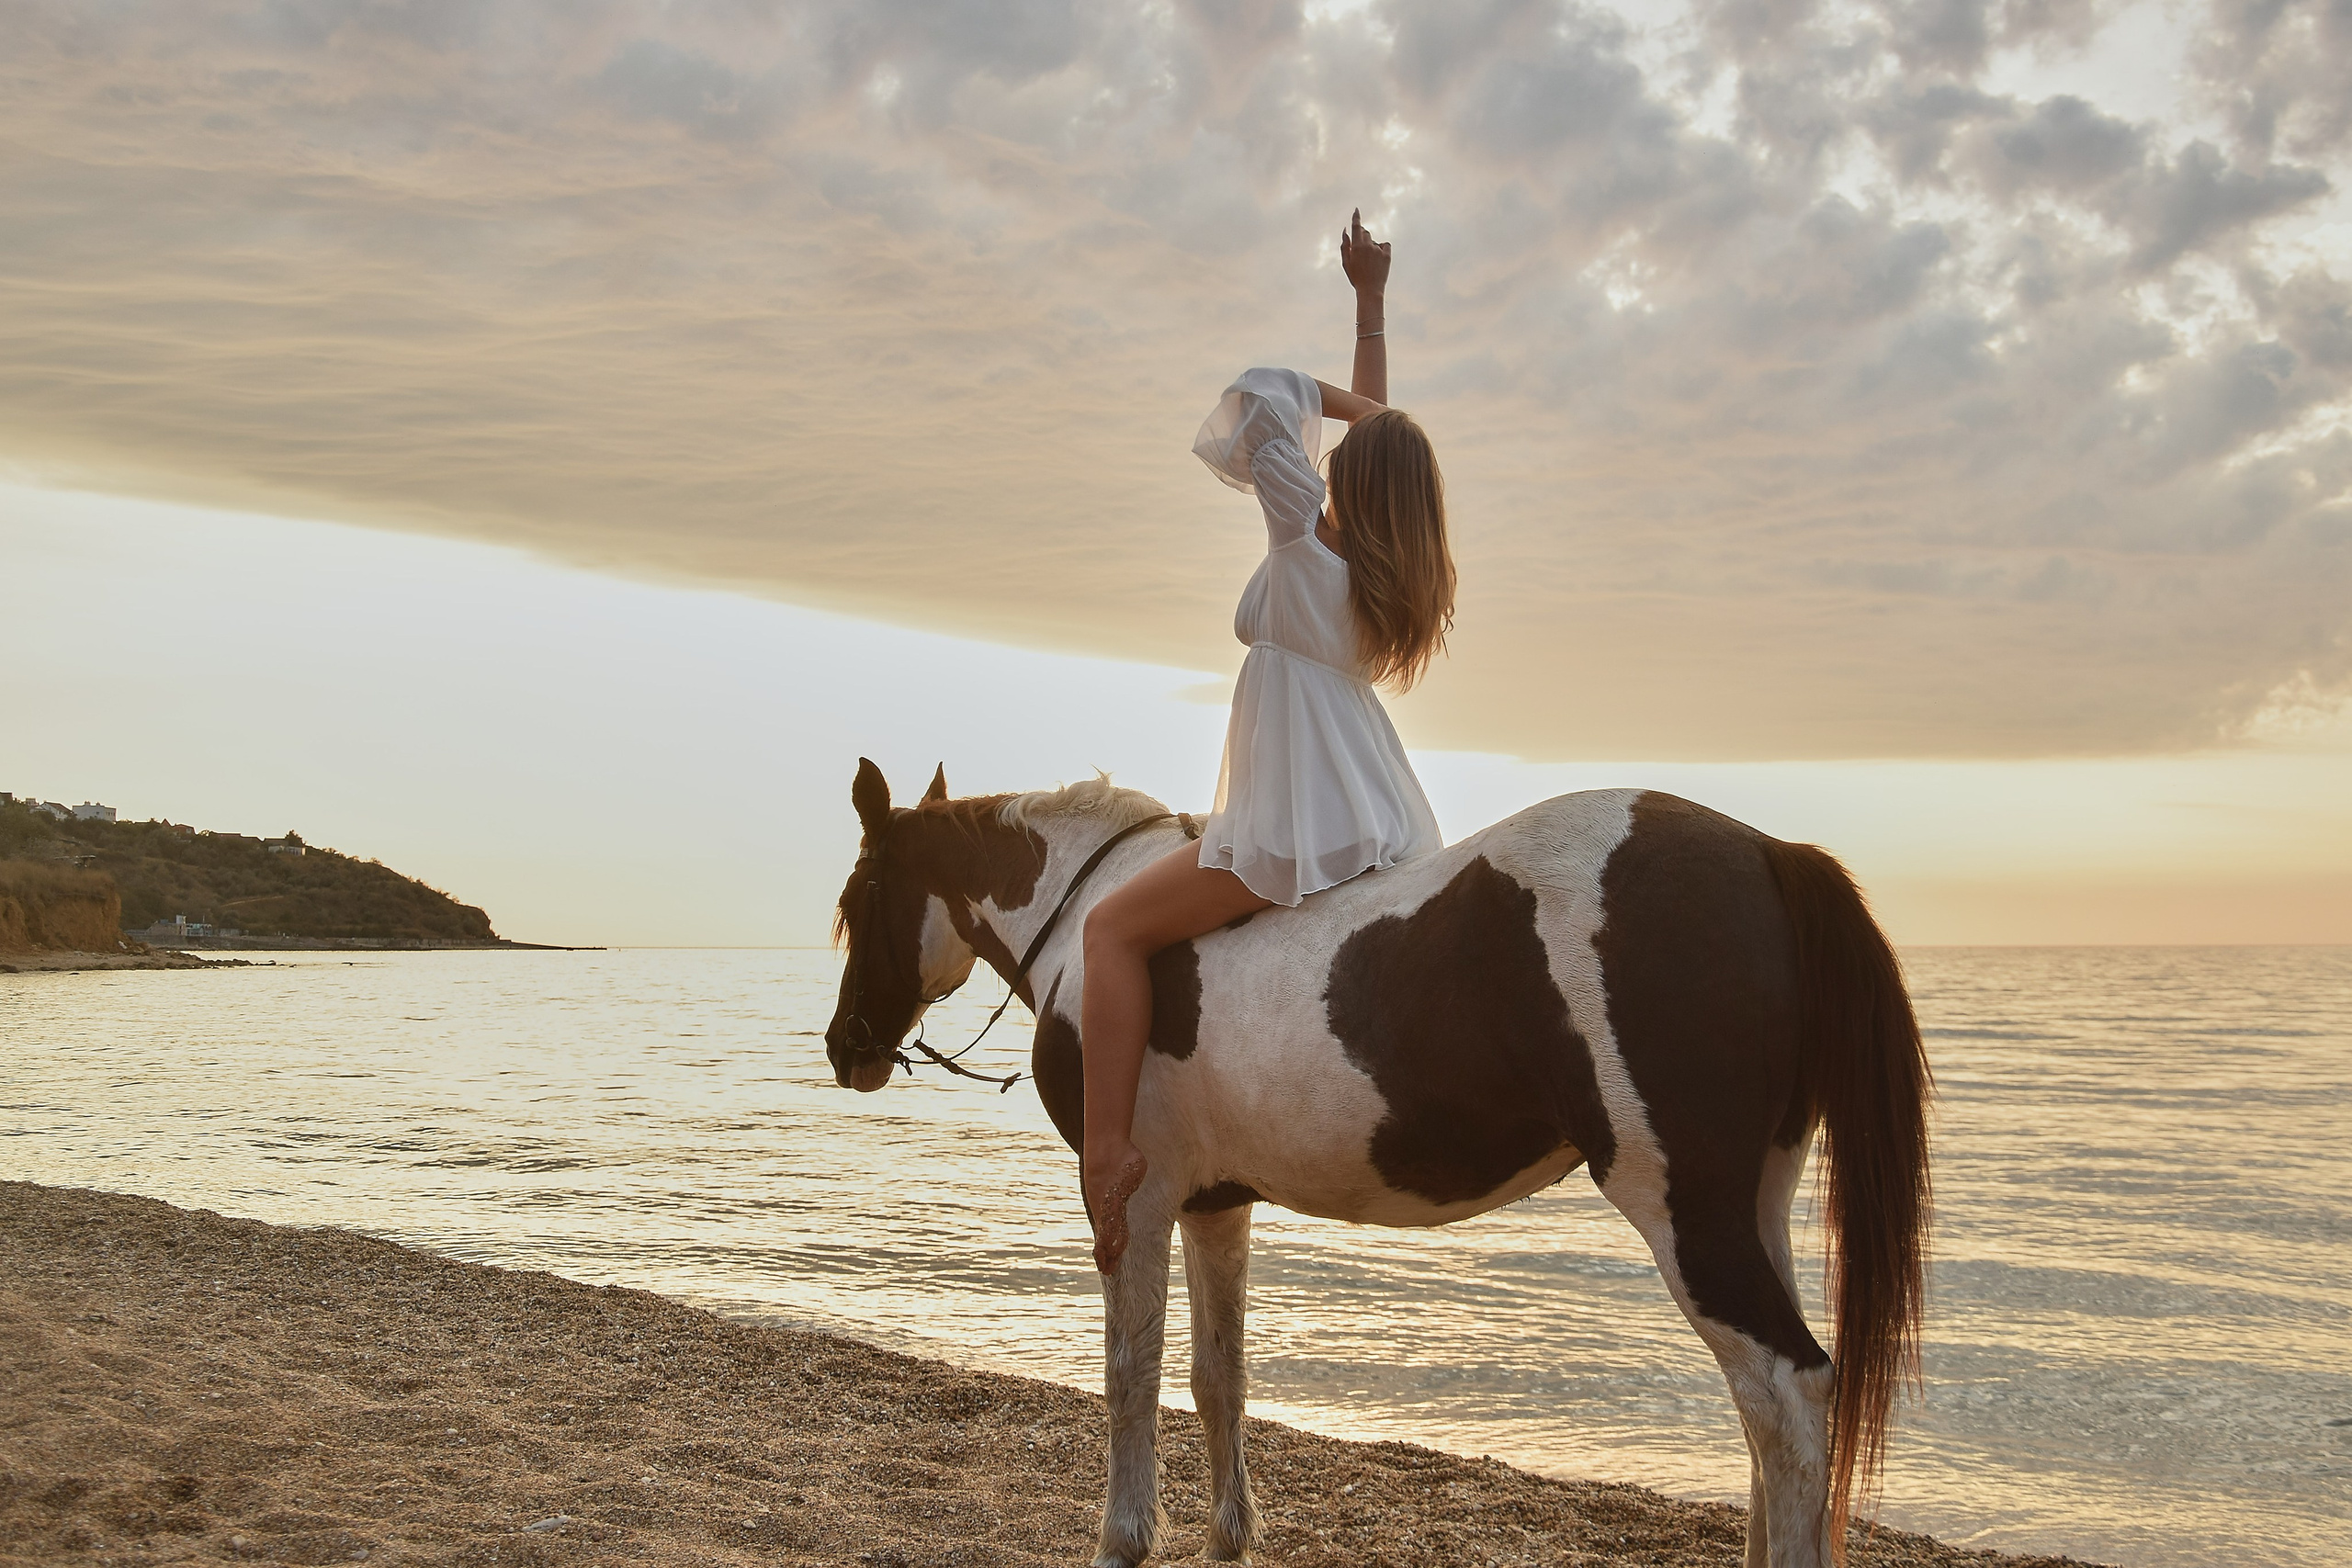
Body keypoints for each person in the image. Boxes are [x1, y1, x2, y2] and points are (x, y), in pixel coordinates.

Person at [1080, 209, 1454, 1273]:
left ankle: (1105, 1153)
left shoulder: (1300, 542)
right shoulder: (1384, 585)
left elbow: (1256, 394)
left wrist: (1363, 400)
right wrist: (1369, 305)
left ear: (1352, 483)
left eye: (1352, 456)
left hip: (1289, 825)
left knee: (1108, 930)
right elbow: (1355, 446)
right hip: (1373, 811)